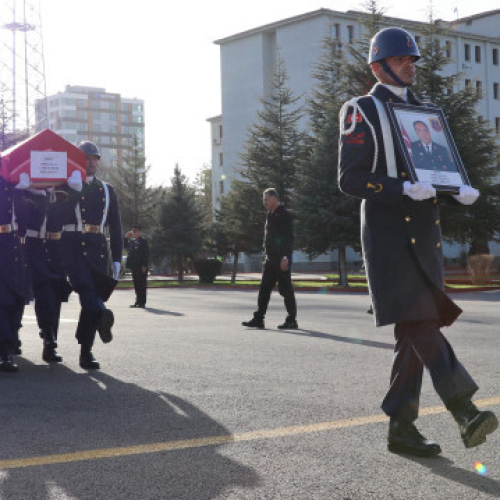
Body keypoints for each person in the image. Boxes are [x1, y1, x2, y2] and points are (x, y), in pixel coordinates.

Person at [338, 27, 497, 457]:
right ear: (378, 65)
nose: (411, 64)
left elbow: (432, 173)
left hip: (424, 235)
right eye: (401, 58)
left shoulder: (425, 114)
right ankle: (464, 409)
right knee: (421, 323)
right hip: (390, 238)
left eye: (413, 59)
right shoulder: (362, 110)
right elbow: (350, 179)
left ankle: (401, 429)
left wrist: (455, 189)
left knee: (412, 332)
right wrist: (400, 189)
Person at [61, 141, 122, 370]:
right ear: (77, 160)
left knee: (92, 298)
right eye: (87, 157)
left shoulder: (108, 190)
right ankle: (102, 315)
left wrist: (116, 258)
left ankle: (86, 351)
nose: (91, 161)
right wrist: (72, 192)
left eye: (95, 157)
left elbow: (116, 226)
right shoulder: (67, 186)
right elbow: (56, 217)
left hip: (98, 249)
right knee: (86, 289)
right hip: (73, 246)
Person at [23, 171, 81, 363]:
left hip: (54, 249)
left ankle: (50, 342)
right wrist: (27, 191)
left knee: (54, 295)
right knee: (42, 292)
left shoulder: (57, 194)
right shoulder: (25, 192)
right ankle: (45, 337)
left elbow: (64, 217)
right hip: (31, 247)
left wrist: (72, 192)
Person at [242, 188, 298, 330]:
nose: (264, 202)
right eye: (264, 199)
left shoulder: (284, 214)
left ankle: (292, 320)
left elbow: (288, 238)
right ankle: (259, 318)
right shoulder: (270, 215)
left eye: (266, 199)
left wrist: (285, 257)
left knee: (285, 290)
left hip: (281, 260)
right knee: (264, 289)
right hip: (270, 259)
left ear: (274, 198)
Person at [0, 173, 30, 372]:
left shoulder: (13, 182)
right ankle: (5, 353)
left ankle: (8, 347)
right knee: (3, 301)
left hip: (12, 244)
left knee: (16, 298)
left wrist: (22, 192)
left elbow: (25, 223)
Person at [125, 224, 149, 308]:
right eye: (133, 231)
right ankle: (137, 301)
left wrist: (144, 265)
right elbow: (125, 247)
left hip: (141, 266)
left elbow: (145, 254)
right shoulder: (132, 241)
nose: (134, 233)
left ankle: (142, 302)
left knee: (142, 284)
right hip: (134, 266)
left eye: (135, 231)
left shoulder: (143, 241)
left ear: (140, 232)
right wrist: (126, 237)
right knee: (136, 284)